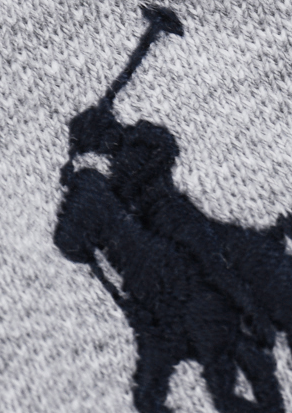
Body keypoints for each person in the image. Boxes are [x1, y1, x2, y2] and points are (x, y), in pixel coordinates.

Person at [65, 100, 277, 348]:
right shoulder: (116, 172)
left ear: (108, 129)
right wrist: (75, 184)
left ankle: (256, 315)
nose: (101, 150)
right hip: (154, 231)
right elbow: (115, 202)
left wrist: (135, 181)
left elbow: (167, 148)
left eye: (99, 143)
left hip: (175, 213)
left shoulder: (141, 136)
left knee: (213, 264)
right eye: (96, 148)